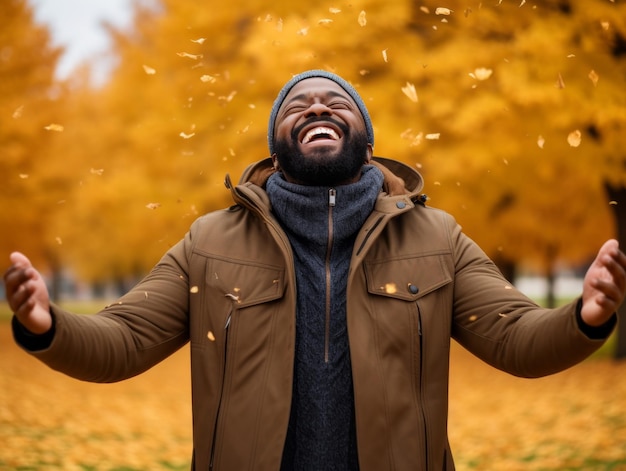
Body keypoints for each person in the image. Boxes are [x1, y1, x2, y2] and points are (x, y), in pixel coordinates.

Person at [4, 69, 626, 471]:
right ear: (275, 142)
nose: (317, 107)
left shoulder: (437, 237)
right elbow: (125, 339)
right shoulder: (209, 241)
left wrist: (587, 316)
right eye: (297, 104)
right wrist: (45, 323)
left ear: (366, 138)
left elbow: (517, 338)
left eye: (337, 102)